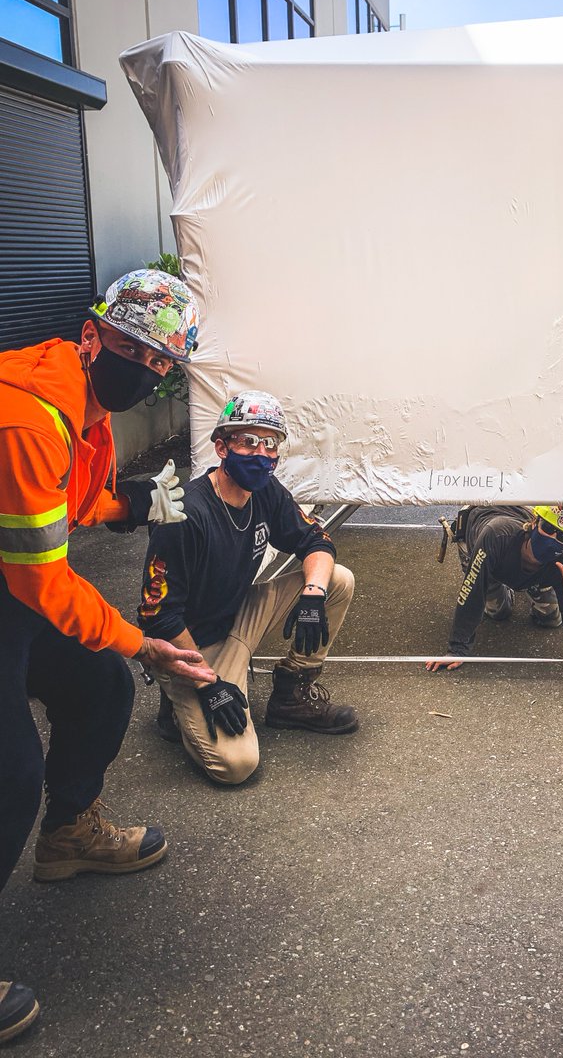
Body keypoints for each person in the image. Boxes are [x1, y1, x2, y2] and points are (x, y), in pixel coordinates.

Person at [0, 269, 215, 1045]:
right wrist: (141, 641)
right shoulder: (29, 418)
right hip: (16, 586)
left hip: (10, 590)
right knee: (8, 768)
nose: (148, 369)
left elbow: (65, 498)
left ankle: (68, 837)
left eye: (164, 362)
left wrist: (127, 503)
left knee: (96, 686)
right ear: (94, 334)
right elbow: (43, 579)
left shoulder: (79, 404)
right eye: (137, 349)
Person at [139, 391, 357, 786]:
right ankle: (177, 701)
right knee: (235, 766)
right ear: (222, 447)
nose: (261, 453)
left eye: (270, 443)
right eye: (248, 441)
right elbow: (158, 615)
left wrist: (312, 594)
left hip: (238, 615)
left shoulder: (265, 492)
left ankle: (290, 697)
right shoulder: (184, 514)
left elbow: (316, 542)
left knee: (335, 579)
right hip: (190, 645)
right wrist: (208, 683)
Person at [427, 505, 563, 671]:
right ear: (535, 522)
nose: (553, 538)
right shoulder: (496, 535)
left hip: (519, 534)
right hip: (484, 538)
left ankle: (534, 583)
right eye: (549, 527)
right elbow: (472, 590)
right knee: (499, 612)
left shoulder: (562, 564)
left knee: (551, 620)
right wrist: (457, 649)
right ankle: (497, 580)